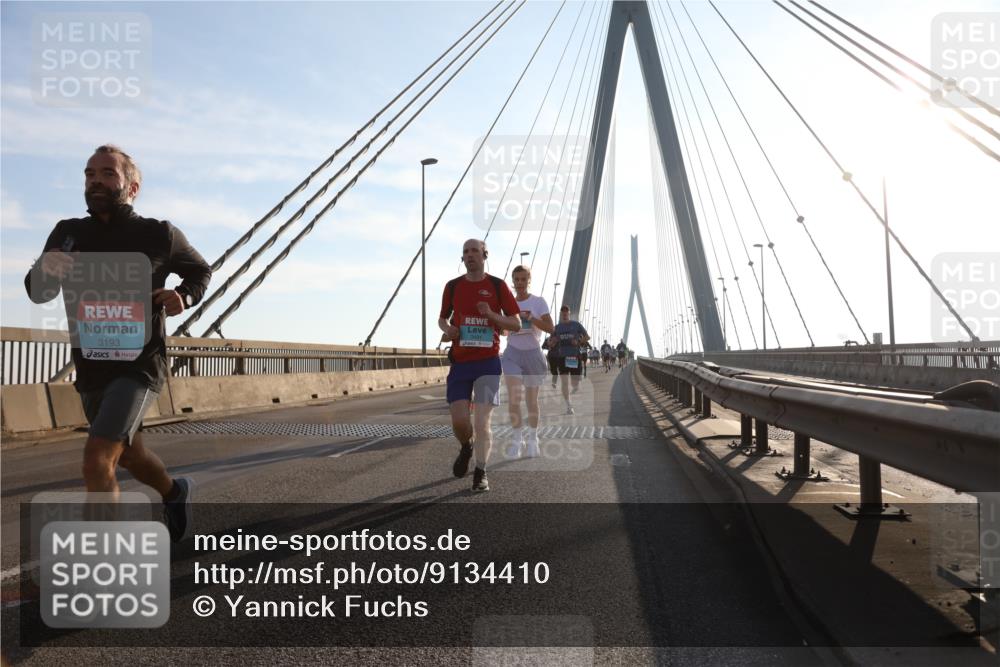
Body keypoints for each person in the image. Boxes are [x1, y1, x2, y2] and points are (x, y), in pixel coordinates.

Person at [24, 144, 211, 542]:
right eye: (90, 174)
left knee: (97, 460)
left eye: (108, 173)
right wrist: (44, 271)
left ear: (131, 187)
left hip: (140, 363)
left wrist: (185, 295)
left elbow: (199, 270)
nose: (96, 181)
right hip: (91, 363)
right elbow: (37, 292)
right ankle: (175, 493)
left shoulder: (159, 233)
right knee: (129, 454)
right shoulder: (68, 233)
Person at [439, 239, 520, 492]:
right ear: (462, 258)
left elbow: (516, 324)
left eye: (475, 250)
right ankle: (466, 446)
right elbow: (442, 319)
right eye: (465, 251)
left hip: (487, 363)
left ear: (485, 255)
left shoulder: (497, 285)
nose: (470, 255)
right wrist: (449, 329)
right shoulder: (452, 287)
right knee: (460, 422)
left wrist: (492, 315)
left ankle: (481, 471)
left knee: (482, 422)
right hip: (461, 363)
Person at [500, 265, 554, 459]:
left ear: (529, 280)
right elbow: (502, 331)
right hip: (513, 353)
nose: (520, 283)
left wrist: (532, 319)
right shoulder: (508, 304)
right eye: (517, 280)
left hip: (533, 354)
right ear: (513, 282)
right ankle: (517, 439)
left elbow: (550, 328)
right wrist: (506, 326)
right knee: (514, 398)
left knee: (531, 401)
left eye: (523, 279)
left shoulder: (539, 302)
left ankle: (533, 438)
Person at [550, 306, 589, 414]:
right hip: (562, 357)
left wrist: (579, 342)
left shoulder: (576, 325)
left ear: (569, 313)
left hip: (574, 357)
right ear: (561, 314)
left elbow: (587, 337)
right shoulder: (557, 328)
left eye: (566, 313)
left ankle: (575, 387)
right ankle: (569, 406)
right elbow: (550, 342)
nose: (565, 315)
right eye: (563, 314)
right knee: (564, 382)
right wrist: (553, 341)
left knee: (575, 383)